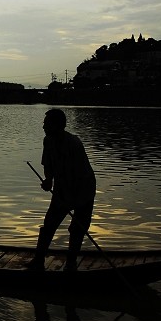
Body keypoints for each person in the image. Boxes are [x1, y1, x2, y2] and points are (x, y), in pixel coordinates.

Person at [27, 109, 96, 272]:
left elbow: (79, 175)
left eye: (46, 123)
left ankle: (71, 264)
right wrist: (48, 181)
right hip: (62, 190)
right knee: (49, 225)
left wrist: (70, 199)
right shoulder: (48, 141)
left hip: (83, 190)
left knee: (77, 228)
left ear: (57, 125)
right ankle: (38, 261)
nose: (43, 126)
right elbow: (48, 165)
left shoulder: (74, 144)